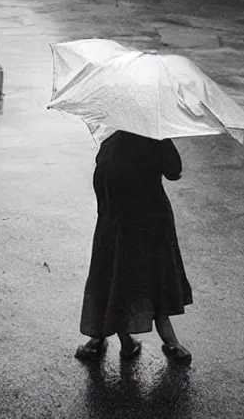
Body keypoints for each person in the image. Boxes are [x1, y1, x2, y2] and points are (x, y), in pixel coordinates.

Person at [75, 131, 194, 364]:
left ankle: (110, 338)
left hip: (119, 222)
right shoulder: (154, 138)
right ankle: (166, 341)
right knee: (151, 277)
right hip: (145, 221)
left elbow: (100, 180)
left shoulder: (112, 141)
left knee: (115, 276)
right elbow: (174, 172)